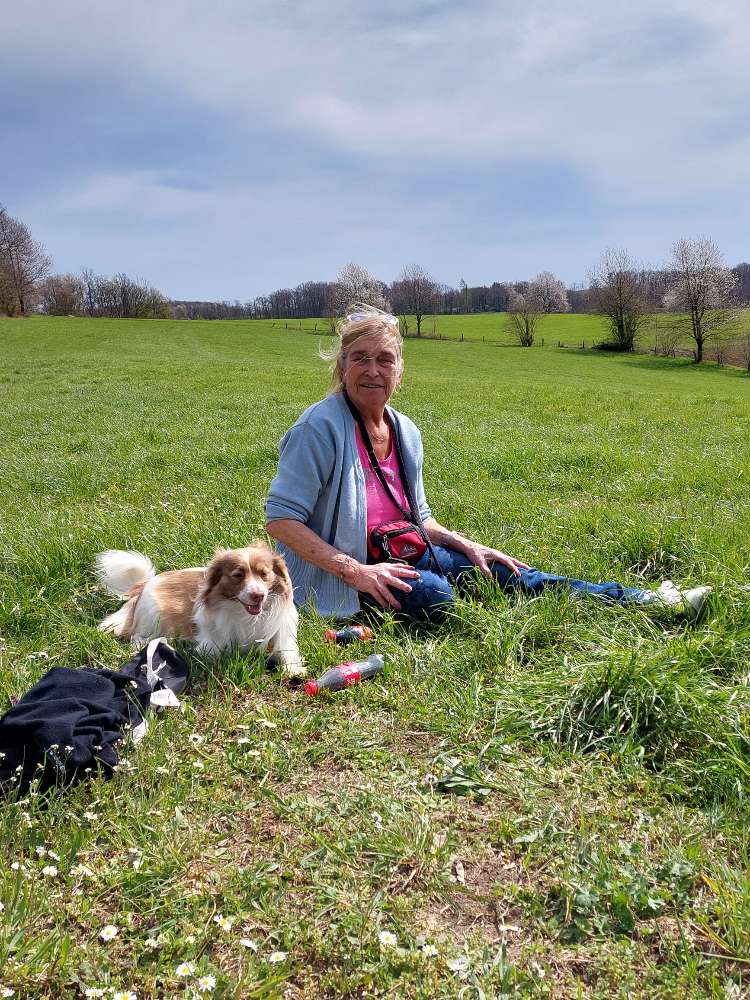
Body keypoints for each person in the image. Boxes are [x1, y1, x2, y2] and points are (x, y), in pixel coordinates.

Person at [265, 306, 711, 622]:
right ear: (342, 366)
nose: (373, 370)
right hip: (339, 577)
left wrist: (464, 543)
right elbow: (281, 520)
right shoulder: (319, 429)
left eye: (385, 359)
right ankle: (404, 589)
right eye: (360, 358)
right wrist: (357, 572)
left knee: (503, 571)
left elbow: (418, 517)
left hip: (404, 550)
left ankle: (648, 600)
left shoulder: (405, 431)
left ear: (400, 369)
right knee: (438, 598)